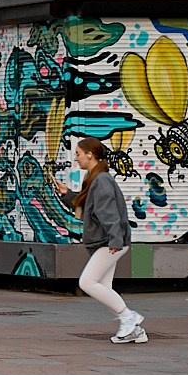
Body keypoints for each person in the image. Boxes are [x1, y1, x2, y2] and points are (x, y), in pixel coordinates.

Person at [67, 136, 146, 344]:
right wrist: (67, 195)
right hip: (110, 240)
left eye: (78, 154)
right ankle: (135, 330)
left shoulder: (101, 180)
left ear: (90, 155)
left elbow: (108, 213)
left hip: (109, 242)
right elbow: (90, 207)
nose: (76, 158)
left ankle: (129, 317)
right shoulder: (96, 178)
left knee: (87, 282)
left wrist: (115, 240)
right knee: (103, 286)